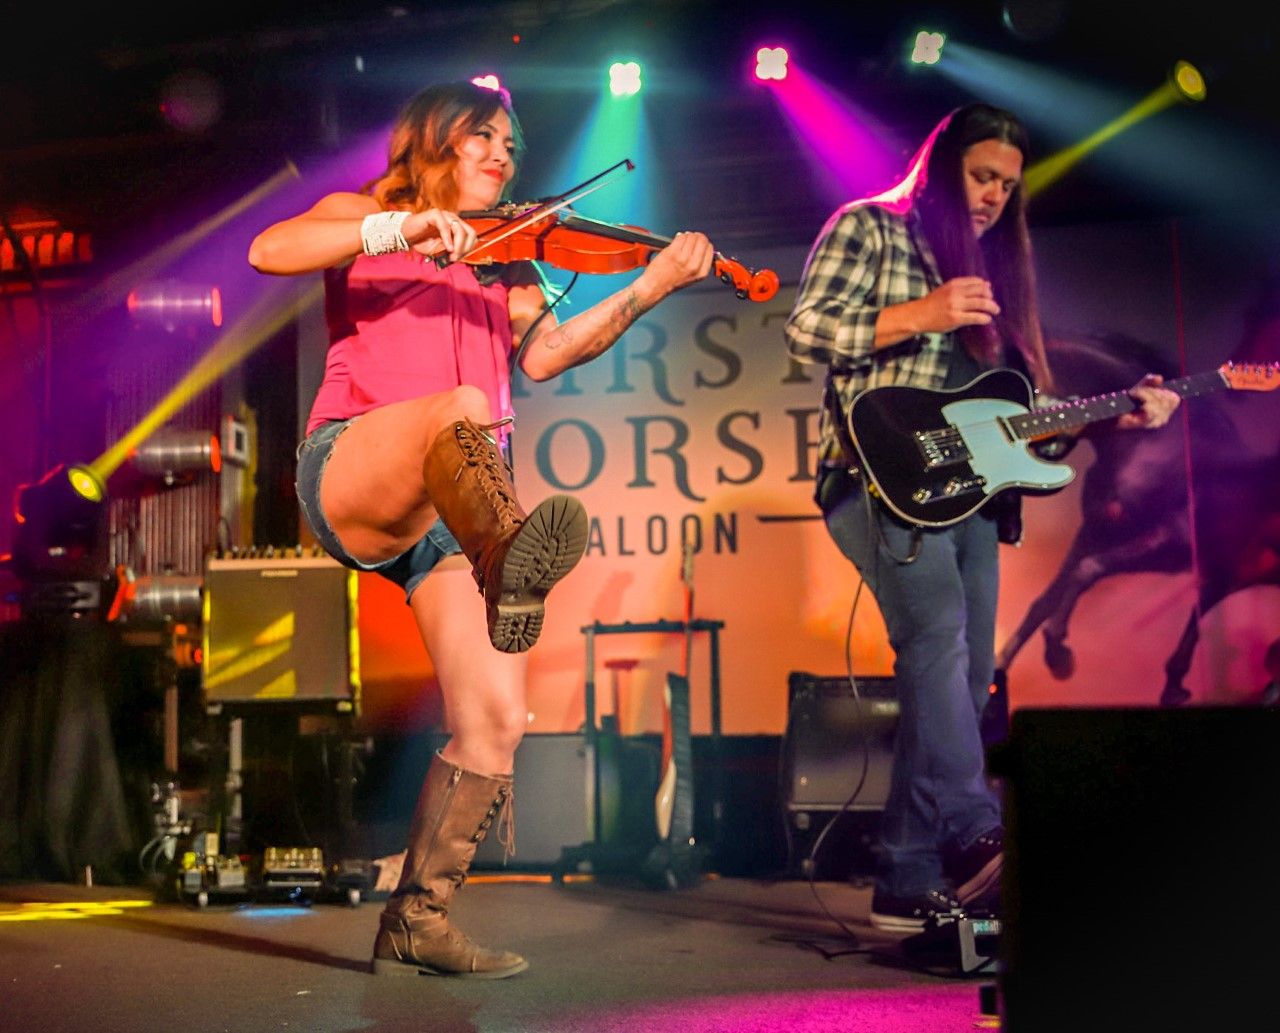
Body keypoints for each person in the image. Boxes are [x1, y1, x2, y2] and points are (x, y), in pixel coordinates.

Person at [247, 80, 714, 977]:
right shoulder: (365, 212)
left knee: (496, 720)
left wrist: (653, 284)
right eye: (483, 137)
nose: (504, 153)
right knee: (460, 405)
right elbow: (271, 249)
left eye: (510, 143)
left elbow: (548, 353)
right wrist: (400, 230)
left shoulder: (508, 258)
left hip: (456, 512)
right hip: (359, 461)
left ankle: (417, 917)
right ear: (434, 138)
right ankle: (508, 556)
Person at [783, 103, 1181, 933]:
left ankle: (906, 872)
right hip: (873, 477)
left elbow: (1020, 420)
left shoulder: (997, 268)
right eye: (981, 175)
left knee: (962, 676)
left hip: (969, 494)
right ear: (941, 168)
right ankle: (973, 830)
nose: (996, 194)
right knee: (935, 637)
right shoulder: (871, 226)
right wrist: (918, 314)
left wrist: (1119, 414)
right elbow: (806, 331)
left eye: (1007, 183)